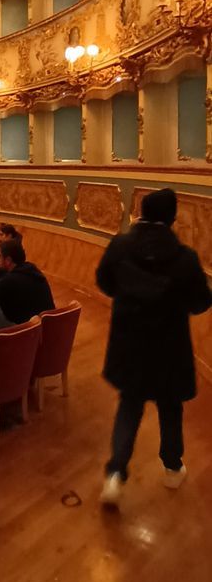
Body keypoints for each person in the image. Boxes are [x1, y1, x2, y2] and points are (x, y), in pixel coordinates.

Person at [97, 188, 211, 507]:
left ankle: (115, 474)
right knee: (170, 407)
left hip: (129, 344)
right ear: (172, 218)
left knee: (129, 405)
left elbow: (104, 281)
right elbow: (200, 302)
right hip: (169, 348)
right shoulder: (185, 258)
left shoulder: (120, 246)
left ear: (142, 212)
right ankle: (172, 468)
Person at [0, 239, 55, 323]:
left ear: (8, 260)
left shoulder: (8, 281)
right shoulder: (33, 270)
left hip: (28, 328)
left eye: (0, 256)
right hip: (49, 323)